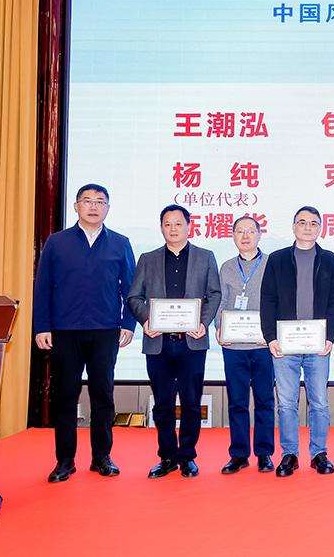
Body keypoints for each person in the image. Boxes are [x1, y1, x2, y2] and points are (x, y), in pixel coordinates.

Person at [33, 183, 136, 483]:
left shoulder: (120, 243)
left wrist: (128, 323)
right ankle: (65, 460)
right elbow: (43, 286)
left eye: (100, 201)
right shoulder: (57, 242)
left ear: (108, 208)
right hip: (65, 330)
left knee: (103, 393)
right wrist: (42, 326)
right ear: (76, 206)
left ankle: (102, 456)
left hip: (105, 330)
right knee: (65, 394)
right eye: (87, 201)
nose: (93, 206)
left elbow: (130, 289)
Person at [127, 204, 221, 479]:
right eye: (167, 224)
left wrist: (203, 322)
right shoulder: (148, 259)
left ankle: (188, 457)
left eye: (178, 223)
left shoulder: (205, 257)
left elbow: (214, 294)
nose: (173, 229)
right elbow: (134, 297)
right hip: (159, 343)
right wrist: (147, 320)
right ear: (161, 228)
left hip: (192, 342)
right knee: (163, 403)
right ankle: (167, 456)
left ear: (189, 226)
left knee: (191, 402)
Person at [260, 205, 334, 477]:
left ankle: (319, 453)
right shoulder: (278, 259)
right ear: (294, 226)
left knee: (319, 402)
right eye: (302, 222)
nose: (308, 227)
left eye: (313, 223)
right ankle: (290, 454)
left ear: (320, 228)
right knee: (286, 403)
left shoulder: (329, 259)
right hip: (285, 345)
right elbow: (267, 299)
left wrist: (330, 336)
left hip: (318, 344)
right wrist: (270, 337)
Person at [214, 216, 274, 475]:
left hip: (263, 345)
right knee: (237, 402)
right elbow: (221, 300)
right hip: (233, 346)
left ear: (259, 234)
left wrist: (271, 334)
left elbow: (277, 301)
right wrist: (219, 327)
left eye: (251, 231)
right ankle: (238, 455)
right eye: (240, 231)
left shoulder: (271, 264)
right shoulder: (227, 266)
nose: (246, 236)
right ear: (233, 236)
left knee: (265, 400)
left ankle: (264, 453)